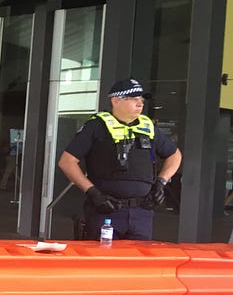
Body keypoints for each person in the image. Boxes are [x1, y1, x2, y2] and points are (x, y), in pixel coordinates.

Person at [57, 78, 182, 241]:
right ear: (115, 101)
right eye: (134, 99)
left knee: (139, 263)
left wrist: (161, 182)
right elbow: (67, 161)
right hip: (106, 211)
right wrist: (93, 192)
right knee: (103, 264)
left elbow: (175, 155)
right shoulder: (96, 127)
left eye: (141, 100)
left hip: (141, 213)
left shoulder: (148, 128)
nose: (140, 104)